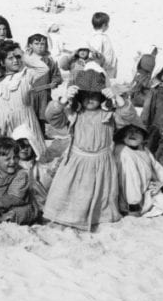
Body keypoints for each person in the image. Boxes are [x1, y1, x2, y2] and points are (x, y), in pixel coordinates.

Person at [42, 65, 128, 231]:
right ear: (79, 96)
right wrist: (63, 101)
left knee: (101, 196)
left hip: (101, 162)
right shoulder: (74, 113)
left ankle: (99, 218)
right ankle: (66, 218)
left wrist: (118, 99)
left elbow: (127, 118)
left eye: (94, 95)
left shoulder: (109, 114)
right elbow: (52, 118)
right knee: (69, 193)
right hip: (77, 161)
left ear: (102, 96)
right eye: (85, 95)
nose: (90, 99)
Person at [0, 40, 48, 154]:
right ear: (2, 62)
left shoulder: (26, 77)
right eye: (10, 58)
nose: (15, 61)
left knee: (30, 158)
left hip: (27, 125)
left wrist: (23, 55)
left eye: (17, 57)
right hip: (6, 130)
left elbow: (43, 68)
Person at [112, 116, 163, 217]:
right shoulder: (123, 152)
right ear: (122, 135)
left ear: (143, 137)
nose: (132, 134)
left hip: (144, 190)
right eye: (128, 131)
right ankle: (132, 208)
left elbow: (156, 167)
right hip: (128, 197)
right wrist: (133, 205)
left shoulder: (143, 150)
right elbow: (130, 181)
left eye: (137, 132)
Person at [0, 137, 38, 225]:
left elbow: (15, 198)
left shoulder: (21, 174)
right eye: (7, 159)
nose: (12, 162)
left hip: (18, 206)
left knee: (21, 211)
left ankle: (3, 219)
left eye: (15, 158)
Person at [87, 12, 117, 79]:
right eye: (108, 24)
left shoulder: (98, 36)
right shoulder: (98, 37)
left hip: (107, 66)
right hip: (104, 68)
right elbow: (97, 54)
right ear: (104, 25)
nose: (108, 26)